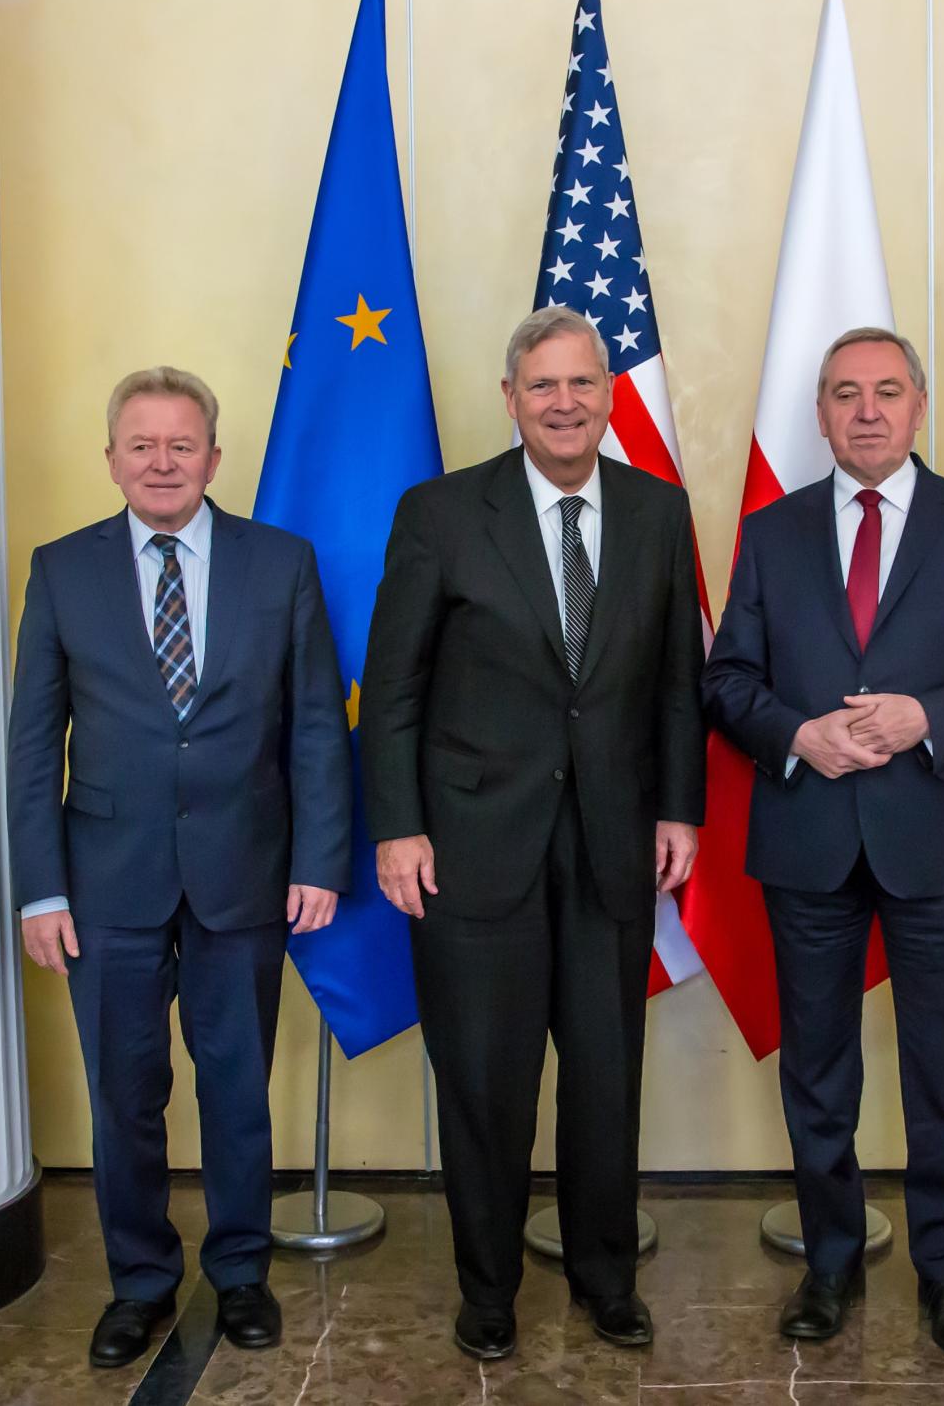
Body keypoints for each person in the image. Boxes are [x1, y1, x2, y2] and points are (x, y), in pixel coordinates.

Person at [359, 306, 706, 1361]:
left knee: (605, 1079)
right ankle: (489, 1289)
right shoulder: (441, 513)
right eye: (542, 386)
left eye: (581, 384)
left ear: (609, 395)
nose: (564, 403)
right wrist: (399, 828)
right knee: (486, 1083)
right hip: (470, 849)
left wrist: (679, 806)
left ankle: (606, 1278)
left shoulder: (656, 509)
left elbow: (677, 687)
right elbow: (395, 689)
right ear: (510, 398)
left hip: (610, 844)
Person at [702, 327, 944, 1357]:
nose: (866, 410)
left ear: (917, 405)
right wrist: (795, 735)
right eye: (845, 393)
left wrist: (927, 719)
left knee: (943, 1069)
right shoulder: (770, 534)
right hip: (807, 834)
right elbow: (727, 681)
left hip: (932, 835)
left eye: (886, 391)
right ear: (819, 413)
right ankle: (830, 1262)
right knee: (817, 1068)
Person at [7, 367, 352, 1369]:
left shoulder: (279, 562)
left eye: (181, 444)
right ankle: (141, 1283)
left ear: (214, 454)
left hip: (244, 871)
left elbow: (320, 726)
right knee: (125, 1092)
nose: (162, 462)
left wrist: (320, 860)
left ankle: (240, 1273)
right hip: (103, 882)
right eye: (141, 445)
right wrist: (40, 887)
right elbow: (35, 742)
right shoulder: (62, 569)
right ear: (110, 457)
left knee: (237, 1084)